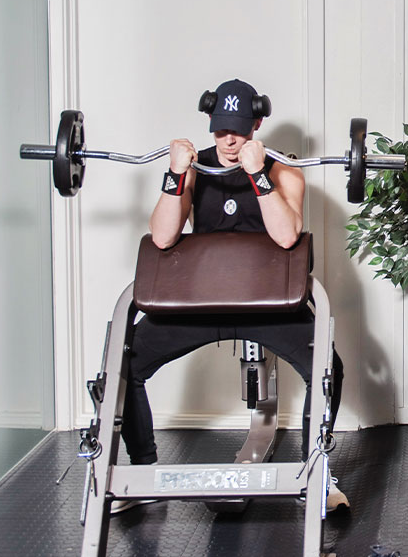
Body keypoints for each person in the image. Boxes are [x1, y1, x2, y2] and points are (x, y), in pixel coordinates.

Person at [114, 79, 348, 514]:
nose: (228, 140)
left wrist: (258, 176)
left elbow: (286, 236)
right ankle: (143, 473)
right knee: (123, 365)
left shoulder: (283, 171)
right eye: (221, 130)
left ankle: (316, 471)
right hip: (201, 303)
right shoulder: (195, 168)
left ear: (256, 124)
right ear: (209, 121)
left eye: (238, 130)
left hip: (271, 306)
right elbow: (162, 238)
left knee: (327, 368)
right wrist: (175, 174)